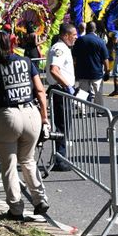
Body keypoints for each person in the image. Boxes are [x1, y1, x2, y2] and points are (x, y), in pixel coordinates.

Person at [0, 30, 50, 219]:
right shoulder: (26, 62)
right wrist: (44, 117)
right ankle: (40, 199)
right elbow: (40, 91)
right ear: (11, 44)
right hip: (31, 113)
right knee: (28, 159)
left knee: (9, 164)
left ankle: (16, 209)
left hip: (9, 115)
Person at [45, 23, 78, 169]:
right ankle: (60, 159)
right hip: (60, 90)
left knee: (64, 124)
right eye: (74, 35)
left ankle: (60, 157)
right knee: (62, 125)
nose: (76, 37)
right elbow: (54, 70)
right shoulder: (59, 48)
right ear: (65, 35)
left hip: (61, 90)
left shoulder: (63, 48)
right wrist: (67, 86)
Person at [72, 21, 108, 106]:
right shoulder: (100, 41)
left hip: (82, 71)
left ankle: (81, 109)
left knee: (82, 92)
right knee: (98, 92)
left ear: (86, 29)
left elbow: (74, 57)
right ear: (95, 29)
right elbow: (105, 58)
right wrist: (107, 71)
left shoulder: (80, 40)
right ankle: (99, 110)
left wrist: (75, 69)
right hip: (96, 72)